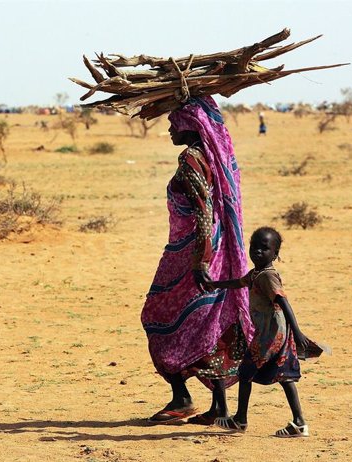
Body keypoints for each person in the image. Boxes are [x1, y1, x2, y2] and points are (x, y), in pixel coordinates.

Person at [141, 96, 254, 425]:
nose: (170, 128)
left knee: (158, 318)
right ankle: (218, 405)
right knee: (207, 322)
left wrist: (200, 259)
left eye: (174, 122)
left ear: (190, 124)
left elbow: (204, 208)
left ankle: (182, 397)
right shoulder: (214, 157)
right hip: (213, 247)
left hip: (192, 253)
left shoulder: (191, 158)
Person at [210, 227, 320, 437]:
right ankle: (299, 422)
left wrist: (297, 332)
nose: (258, 252)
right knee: (285, 376)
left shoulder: (267, 276)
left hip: (270, 336)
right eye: (254, 247)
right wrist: (214, 284)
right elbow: (238, 283)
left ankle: (241, 419)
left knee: (245, 372)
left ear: (275, 254)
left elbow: (282, 301)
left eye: (264, 248)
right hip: (277, 334)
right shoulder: (256, 274)